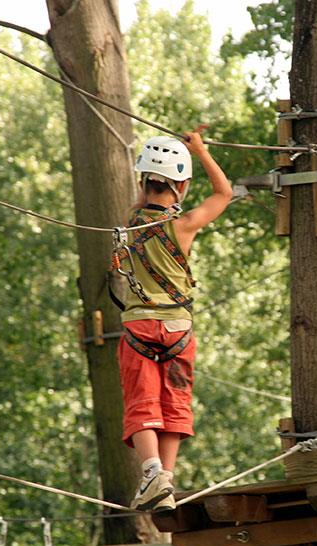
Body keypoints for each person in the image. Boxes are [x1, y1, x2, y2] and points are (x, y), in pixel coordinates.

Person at [115, 127, 232, 511]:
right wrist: (200, 151)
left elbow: (144, 198)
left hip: (139, 329)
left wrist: (153, 175)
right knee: (174, 404)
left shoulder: (130, 224)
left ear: (143, 182)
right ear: (180, 187)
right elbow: (223, 194)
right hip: (179, 331)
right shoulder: (183, 225)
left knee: (142, 401)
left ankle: (152, 474)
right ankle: (165, 479)